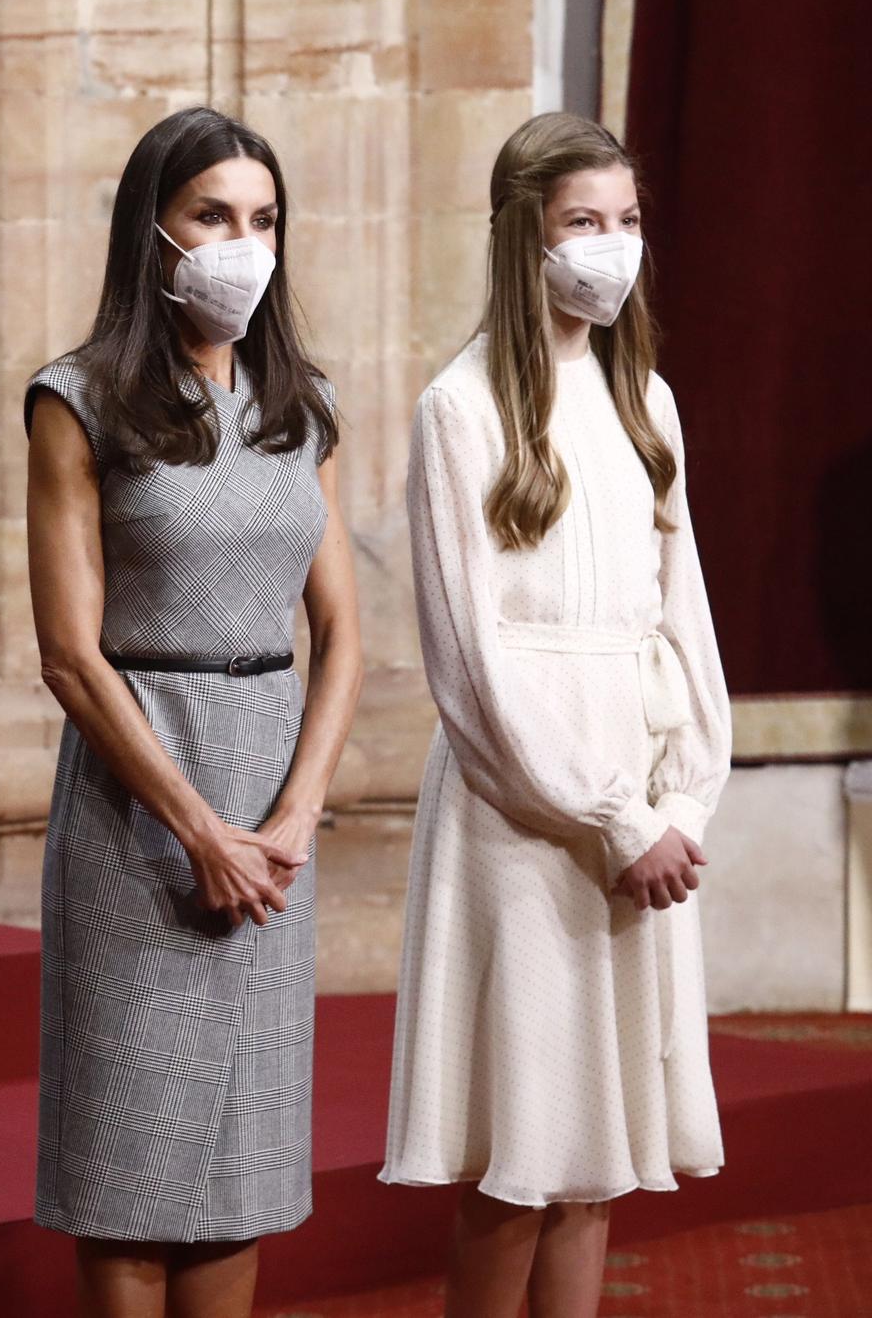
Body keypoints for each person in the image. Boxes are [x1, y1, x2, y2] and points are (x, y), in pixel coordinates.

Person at [381, 111, 732, 1318]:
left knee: (595, 1166)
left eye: (625, 223)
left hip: (637, 806)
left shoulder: (647, 401)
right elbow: (469, 665)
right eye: (581, 223)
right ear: (520, 239)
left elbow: (681, 621)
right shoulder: (460, 408)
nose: (609, 247)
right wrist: (603, 817)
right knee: (521, 1157)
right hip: (524, 819)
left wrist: (679, 794)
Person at [24, 106, 362, 1318]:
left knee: (240, 1167)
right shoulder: (77, 399)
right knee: (131, 1169)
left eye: (261, 219)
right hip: (136, 806)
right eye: (212, 216)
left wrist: (295, 814)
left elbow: (341, 633)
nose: (242, 243)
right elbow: (67, 652)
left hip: (274, 808)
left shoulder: (301, 404)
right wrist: (196, 830)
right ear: (153, 233)